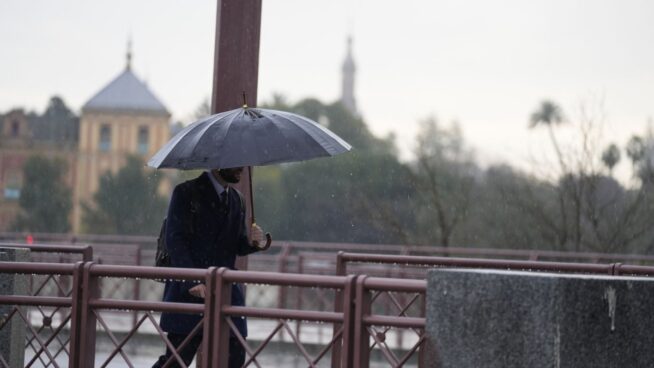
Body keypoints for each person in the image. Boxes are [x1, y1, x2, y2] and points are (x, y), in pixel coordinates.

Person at [152, 167, 270, 368]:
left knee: (235, 355)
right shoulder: (186, 192)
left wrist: (255, 243)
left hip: (226, 292)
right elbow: (175, 241)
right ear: (217, 163)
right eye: (234, 162)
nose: (241, 168)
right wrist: (192, 280)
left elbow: (236, 245)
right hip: (190, 292)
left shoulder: (237, 200)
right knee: (177, 360)